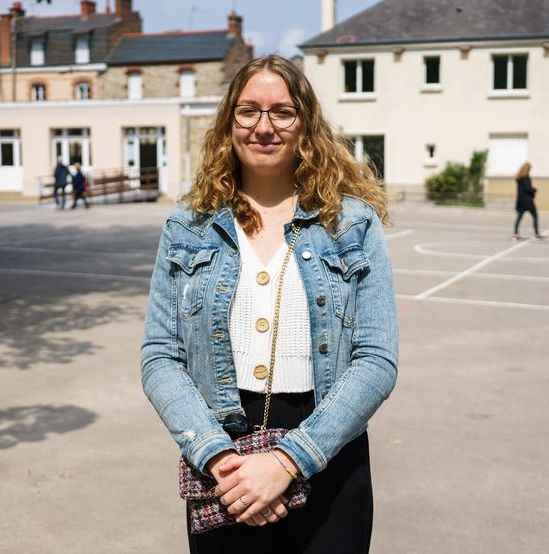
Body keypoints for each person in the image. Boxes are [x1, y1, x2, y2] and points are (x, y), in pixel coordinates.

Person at [140, 55, 399, 554]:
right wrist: (217, 457)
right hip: (224, 462)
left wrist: (287, 461)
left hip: (329, 449)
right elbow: (159, 356)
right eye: (247, 111)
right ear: (228, 123)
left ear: (306, 124)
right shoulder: (187, 226)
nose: (264, 126)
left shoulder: (351, 223)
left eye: (282, 111)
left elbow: (377, 359)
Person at [513, 162, 544, 240]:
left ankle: (515, 233)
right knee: (535, 216)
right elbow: (527, 189)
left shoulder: (518, 178)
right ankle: (537, 233)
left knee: (519, 217)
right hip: (528, 201)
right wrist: (534, 190)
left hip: (521, 201)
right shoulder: (526, 178)